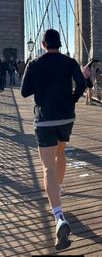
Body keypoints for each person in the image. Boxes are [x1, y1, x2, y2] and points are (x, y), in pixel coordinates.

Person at [21, 29, 86, 250]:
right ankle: (56, 191)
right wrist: (72, 99)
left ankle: (58, 216)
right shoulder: (70, 62)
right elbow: (82, 85)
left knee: (47, 166)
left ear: (42, 43)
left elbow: (24, 92)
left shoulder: (35, 63)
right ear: (59, 43)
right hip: (66, 118)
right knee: (61, 154)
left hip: (45, 120)